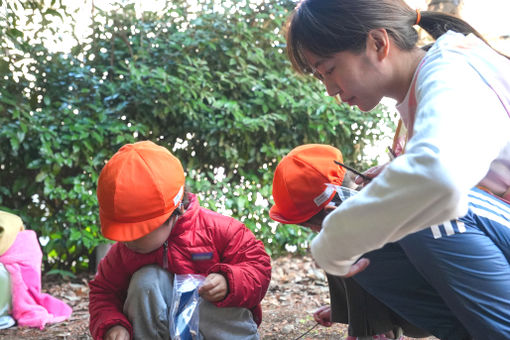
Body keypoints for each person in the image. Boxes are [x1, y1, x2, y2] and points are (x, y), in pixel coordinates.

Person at [284, 1, 510, 339]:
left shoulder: (453, 71)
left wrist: (333, 240)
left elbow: (438, 178)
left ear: (377, 43)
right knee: (380, 226)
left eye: (329, 70)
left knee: (422, 208)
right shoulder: (422, 89)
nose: (330, 90)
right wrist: (394, 170)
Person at [269, 144, 465, 340]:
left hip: (444, 307)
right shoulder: (370, 195)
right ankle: (370, 325)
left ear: (329, 209)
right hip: (425, 296)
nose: (314, 230)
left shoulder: (362, 222)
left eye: (313, 225)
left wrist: (370, 326)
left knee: (339, 245)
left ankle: (373, 331)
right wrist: (344, 309)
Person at [88, 141, 272, 340]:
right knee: (146, 281)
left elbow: (258, 267)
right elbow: (103, 292)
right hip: (164, 330)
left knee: (205, 290)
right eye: (122, 234)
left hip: (216, 326)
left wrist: (229, 281)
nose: (128, 242)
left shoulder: (219, 230)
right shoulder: (125, 252)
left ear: (177, 211)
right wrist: (112, 324)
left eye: (138, 232)